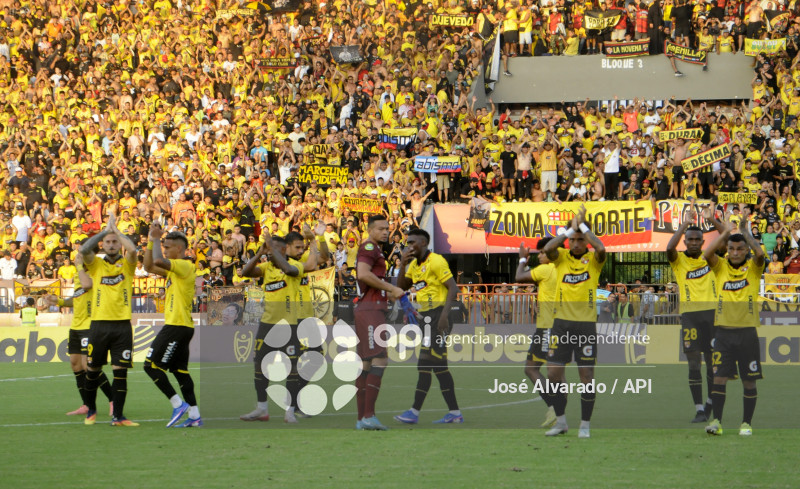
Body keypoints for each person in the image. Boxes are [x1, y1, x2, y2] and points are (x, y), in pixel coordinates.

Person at [541, 205, 606, 438]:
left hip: (585, 326)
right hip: (561, 324)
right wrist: (570, 229)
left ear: (586, 241)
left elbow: (601, 248)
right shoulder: (561, 258)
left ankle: (585, 425)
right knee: (553, 374)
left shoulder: (594, 260)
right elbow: (548, 248)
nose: (576, 244)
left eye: (580, 240)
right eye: (573, 240)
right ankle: (561, 422)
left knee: (586, 377)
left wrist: (583, 226)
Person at [702, 209, 765, 436]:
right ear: (727, 250)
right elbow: (707, 253)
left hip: (747, 334)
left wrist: (745, 231)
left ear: (746, 250)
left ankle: (746, 423)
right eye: (731, 249)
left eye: (740, 249)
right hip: (723, 334)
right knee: (719, 379)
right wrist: (725, 231)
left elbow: (760, 254)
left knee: (749, 381)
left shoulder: (753, 269)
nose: (735, 252)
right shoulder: (720, 267)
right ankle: (717, 422)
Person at [394, 229, 462, 425]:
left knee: (424, 364)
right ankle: (454, 413)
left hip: (439, 317)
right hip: (426, 319)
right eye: (407, 243)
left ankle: (414, 412)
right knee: (439, 368)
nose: (409, 246)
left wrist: (444, 316)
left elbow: (453, 288)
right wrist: (403, 264)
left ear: (423, 243)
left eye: (412, 242)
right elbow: (402, 287)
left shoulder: (436, 261)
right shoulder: (414, 265)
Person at [239, 232, 306, 423]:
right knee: (260, 366)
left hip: (289, 326)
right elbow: (245, 272)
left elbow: (288, 269)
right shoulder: (266, 267)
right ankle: (262, 409)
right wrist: (260, 252)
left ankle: (289, 411)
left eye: (273, 249)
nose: (270, 253)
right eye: (269, 249)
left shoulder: (296, 266)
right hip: (267, 325)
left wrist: (271, 247)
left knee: (292, 369)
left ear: (284, 250)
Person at [80, 213, 139, 426]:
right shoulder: (96, 264)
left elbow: (133, 250)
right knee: (93, 371)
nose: (112, 245)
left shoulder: (128, 265)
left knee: (120, 373)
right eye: (108, 242)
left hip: (122, 326)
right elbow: (84, 250)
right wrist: (104, 231)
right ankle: (91, 410)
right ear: (103, 245)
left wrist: (117, 231)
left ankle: (118, 417)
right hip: (99, 325)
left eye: (115, 242)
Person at [667, 205, 724, 423]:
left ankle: (710, 403)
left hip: (712, 315)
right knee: (693, 364)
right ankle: (699, 409)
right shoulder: (679, 261)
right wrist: (685, 223)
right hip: (690, 316)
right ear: (685, 241)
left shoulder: (710, 257)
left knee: (712, 363)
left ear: (702, 242)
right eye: (689, 239)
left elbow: (727, 239)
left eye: (696, 240)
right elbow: (669, 248)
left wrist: (713, 220)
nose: (692, 242)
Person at [142, 224, 202, 428]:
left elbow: (158, 261)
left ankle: (178, 404)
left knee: (150, 366)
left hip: (176, 326)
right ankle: (195, 416)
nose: (165, 250)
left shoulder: (185, 265)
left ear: (179, 249)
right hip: (182, 326)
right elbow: (148, 267)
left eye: (167, 247)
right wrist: (151, 241)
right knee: (179, 371)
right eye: (163, 246)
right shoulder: (174, 272)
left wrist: (156, 238)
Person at [354, 215, 405, 430]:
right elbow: (363, 274)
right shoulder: (369, 247)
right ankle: (368, 416)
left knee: (366, 363)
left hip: (369, 308)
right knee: (380, 359)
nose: (385, 232)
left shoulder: (376, 250)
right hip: (370, 310)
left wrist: (390, 295)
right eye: (381, 229)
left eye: (387, 229)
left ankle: (362, 419)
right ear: (370, 230)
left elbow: (372, 281)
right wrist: (391, 288)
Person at [46, 253, 113, 417]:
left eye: (80, 258)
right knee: (75, 364)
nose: (77, 260)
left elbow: (87, 285)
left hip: (89, 326)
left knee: (88, 365)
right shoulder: (78, 276)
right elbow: (76, 298)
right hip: (75, 326)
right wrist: (59, 301)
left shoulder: (94, 274)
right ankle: (86, 404)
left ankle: (113, 400)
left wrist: (78, 266)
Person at [514, 237, 558, 429]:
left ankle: (556, 409)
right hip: (560, 325)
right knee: (555, 371)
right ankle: (557, 411)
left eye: (541, 252)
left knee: (532, 369)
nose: (539, 256)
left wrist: (523, 259)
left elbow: (519, 277)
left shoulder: (546, 269)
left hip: (548, 326)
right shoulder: (562, 268)